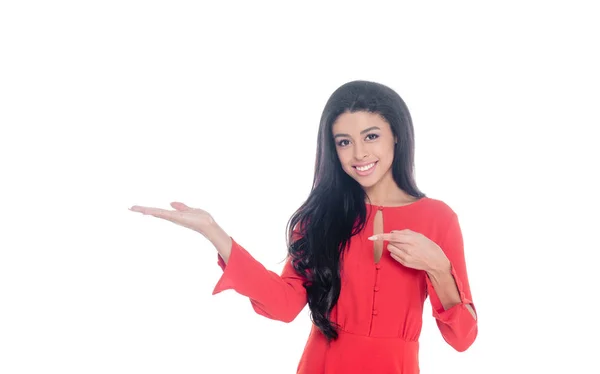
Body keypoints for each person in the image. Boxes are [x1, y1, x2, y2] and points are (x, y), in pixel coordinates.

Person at [129, 80, 478, 373]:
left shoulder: (439, 219)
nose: (358, 153)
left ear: (396, 137)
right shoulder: (320, 216)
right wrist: (213, 232)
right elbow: (284, 304)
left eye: (371, 136)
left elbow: (462, 339)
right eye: (344, 141)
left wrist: (438, 267)